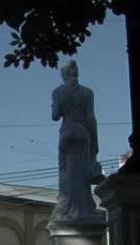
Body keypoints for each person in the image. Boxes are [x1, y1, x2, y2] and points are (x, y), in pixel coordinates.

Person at [50, 60, 104, 222]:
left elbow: (55, 116)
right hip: (83, 133)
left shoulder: (58, 91)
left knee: (65, 170)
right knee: (82, 172)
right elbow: (91, 119)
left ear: (63, 74)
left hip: (66, 132)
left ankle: (65, 205)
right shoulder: (88, 93)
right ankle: (85, 208)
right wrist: (95, 143)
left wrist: (56, 104)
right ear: (76, 73)